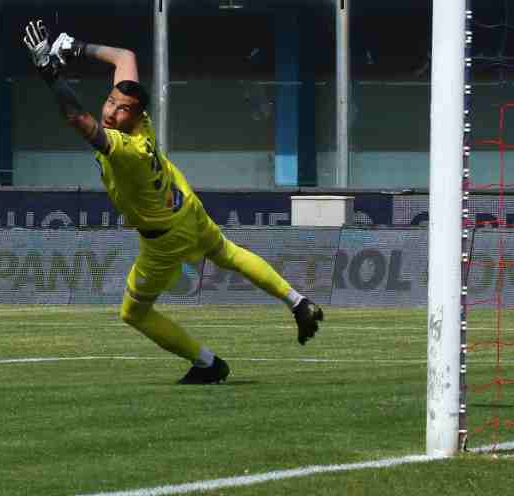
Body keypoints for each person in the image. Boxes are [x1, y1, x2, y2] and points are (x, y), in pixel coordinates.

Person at [21, 20, 324, 384]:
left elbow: (76, 117)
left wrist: (49, 72)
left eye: (122, 109)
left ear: (135, 116)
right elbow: (124, 57)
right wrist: (78, 47)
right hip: (184, 205)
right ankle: (299, 302)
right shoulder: (139, 121)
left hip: (164, 238)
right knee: (227, 252)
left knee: (134, 313)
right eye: (111, 101)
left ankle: (207, 363)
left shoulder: (127, 148)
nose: (112, 112)